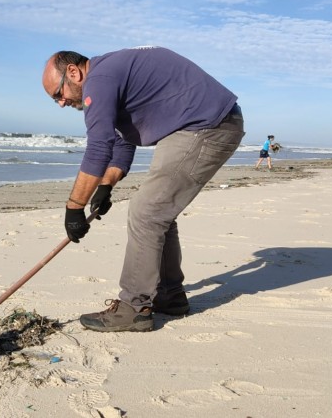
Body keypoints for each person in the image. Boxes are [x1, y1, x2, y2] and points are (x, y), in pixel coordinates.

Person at [41, 46, 245, 332]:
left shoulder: (99, 80)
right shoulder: (110, 75)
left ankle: (134, 308)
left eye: (58, 94)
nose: (61, 103)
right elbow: (121, 142)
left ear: (73, 73)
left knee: (146, 212)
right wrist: (105, 186)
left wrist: (74, 207)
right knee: (156, 212)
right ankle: (169, 296)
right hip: (201, 123)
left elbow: (98, 149)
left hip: (207, 125)